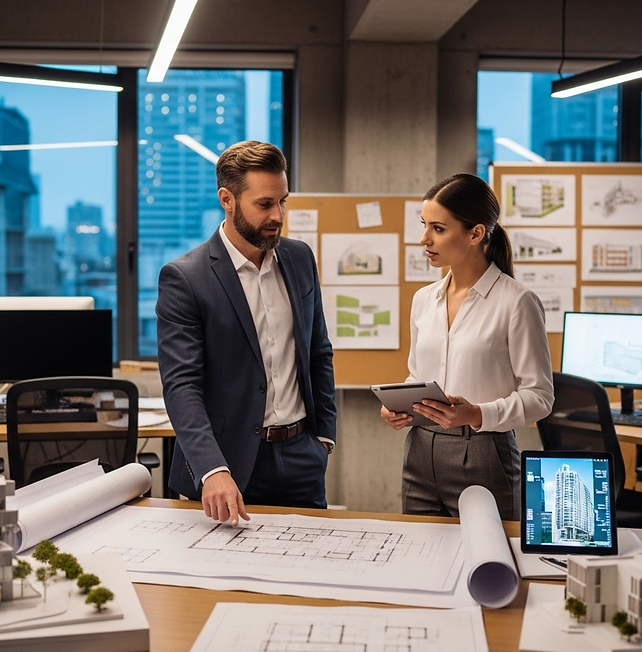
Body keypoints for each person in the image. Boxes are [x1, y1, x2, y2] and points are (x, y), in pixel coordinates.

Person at [156, 140, 337, 526]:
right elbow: (181, 386)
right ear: (228, 199)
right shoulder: (186, 278)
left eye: (282, 201)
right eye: (264, 204)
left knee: (309, 577)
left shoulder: (300, 258)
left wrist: (324, 439)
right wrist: (211, 469)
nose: (278, 215)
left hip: (302, 456)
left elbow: (318, 351)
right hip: (227, 468)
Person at [380, 173, 554, 520]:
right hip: (419, 448)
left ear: (475, 233)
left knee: (491, 564)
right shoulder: (424, 299)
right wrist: (400, 406)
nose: (424, 238)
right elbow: (419, 373)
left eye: (438, 229)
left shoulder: (517, 302)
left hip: (484, 451)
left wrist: (476, 413)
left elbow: (540, 398)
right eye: (424, 225)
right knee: (421, 562)